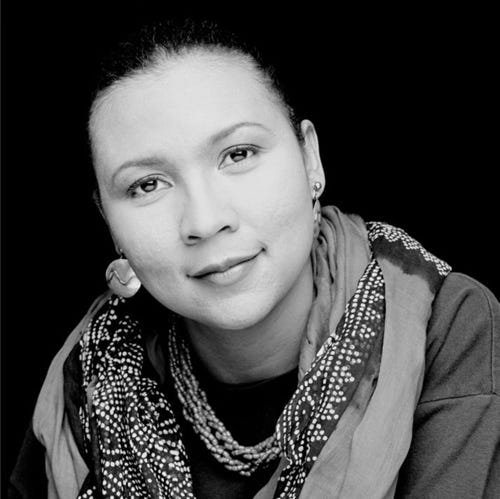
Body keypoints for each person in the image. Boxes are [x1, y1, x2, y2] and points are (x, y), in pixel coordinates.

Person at [9, 18, 500, 499]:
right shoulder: (93, 378)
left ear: (310, 158)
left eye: (238, 154)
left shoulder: (444, 326)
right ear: (108, 220)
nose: (204, 220)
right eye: (147, 185)